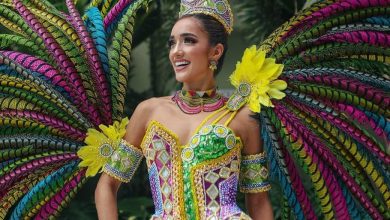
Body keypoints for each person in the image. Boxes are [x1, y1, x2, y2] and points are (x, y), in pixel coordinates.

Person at [95, 1, 274, 219]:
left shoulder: (243, 117)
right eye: (172, 43)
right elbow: (107, 184)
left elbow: (258, 200)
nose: (176, 52)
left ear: (215, 51)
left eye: (188, 40)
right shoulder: (149, 111)